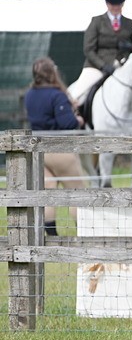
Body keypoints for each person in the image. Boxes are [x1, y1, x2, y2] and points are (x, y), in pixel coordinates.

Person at [23, 57, 88, 236]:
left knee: (49, 194)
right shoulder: (57, 95)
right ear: (52, 73)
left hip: (40, 150)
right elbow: (67, 123)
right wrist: (78, 119)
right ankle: (83, 234)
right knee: (76, 193)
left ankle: (52, 238)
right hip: (60, 150)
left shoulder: (29, 94)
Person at [68, 0, 132, 104]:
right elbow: (88, 49)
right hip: (97, 67)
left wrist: (130, 47)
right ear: (107, 4)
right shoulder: (97, 22)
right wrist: (103, 65)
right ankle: (76, 119)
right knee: (77, 95)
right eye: (113, 4)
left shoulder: (129, 23)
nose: (116, 7)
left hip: (122, 66)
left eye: (118, 4)